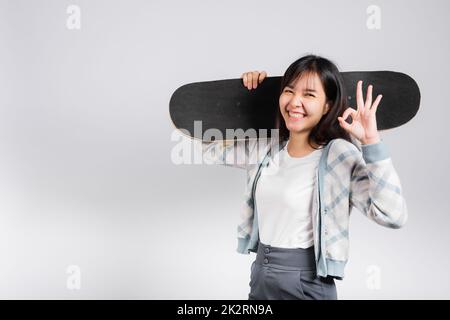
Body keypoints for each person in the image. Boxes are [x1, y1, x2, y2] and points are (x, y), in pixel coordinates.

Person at [192, 54, 408, 300]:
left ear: (327, 105)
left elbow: (393, 215)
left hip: (307, 282)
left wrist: (371, 142)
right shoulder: (266, 149)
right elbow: (207, 149)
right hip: (261, 276)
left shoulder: (339, 156)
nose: (295, 101)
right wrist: (245, 96)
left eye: (309, 94)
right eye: (289, 91)